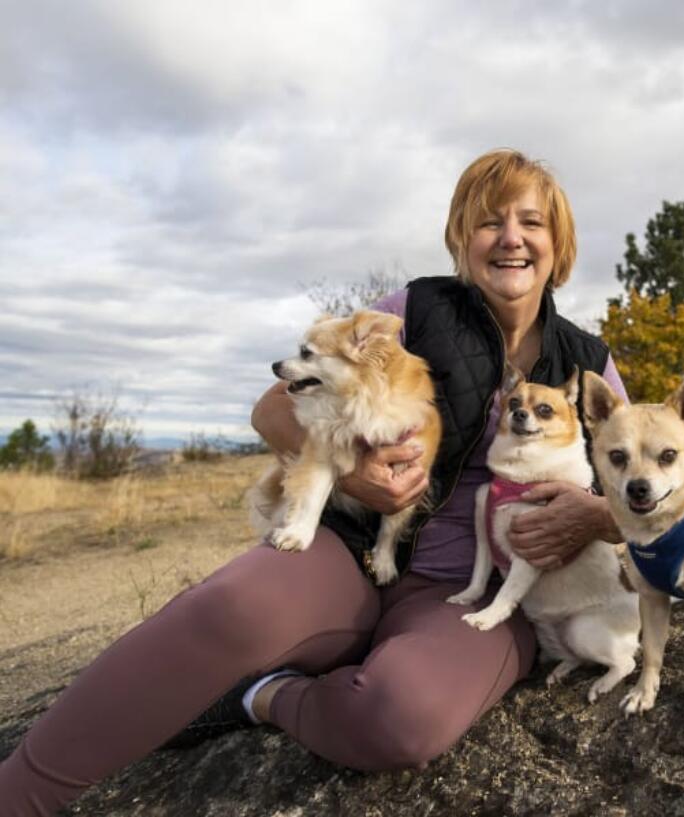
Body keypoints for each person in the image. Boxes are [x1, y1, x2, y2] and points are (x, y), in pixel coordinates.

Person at [0, 149, 629, 816]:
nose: (510, 237)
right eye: (487, 221)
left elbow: (649, 489)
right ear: (461, 239)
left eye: (531, 222)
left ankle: (263, 694)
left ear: (557, 244)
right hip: (350, 556)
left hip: (485, 596)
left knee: (402, 716)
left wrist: (592, 514)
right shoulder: (411, 310)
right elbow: (272, 409)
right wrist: (354, 472)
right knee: (228, 609)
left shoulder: (589, 363)